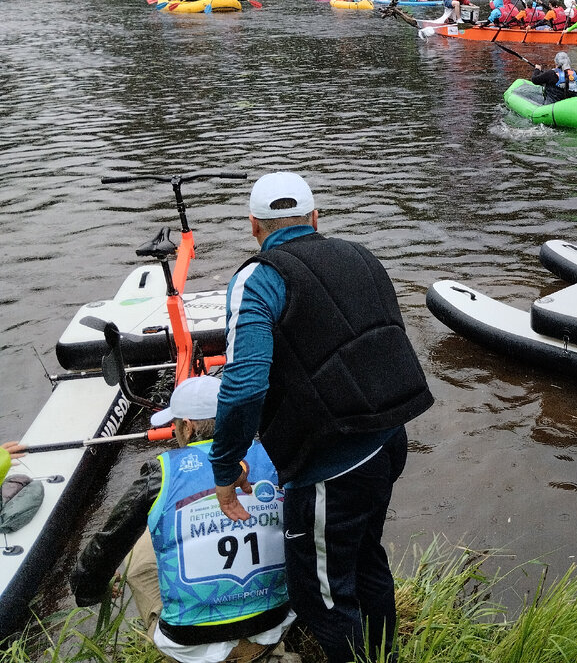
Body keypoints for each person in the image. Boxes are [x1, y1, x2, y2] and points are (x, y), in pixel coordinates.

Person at [209, 173, 433, 663]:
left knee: (321, 597)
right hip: (389, 439)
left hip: (334, 465)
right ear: (315, 218)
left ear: (254, 227)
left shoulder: (258, 277)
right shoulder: (361, 255)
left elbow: (245, 385)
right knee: (364, 557)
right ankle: (383, 656)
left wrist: (225, 468)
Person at [71, 376, 292, 663]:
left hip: (190, 645)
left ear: (187, 427)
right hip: (272, 623)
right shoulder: (273, 455)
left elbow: (103, 548)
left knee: (140, 545)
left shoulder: (160, 472)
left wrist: (90, 588)